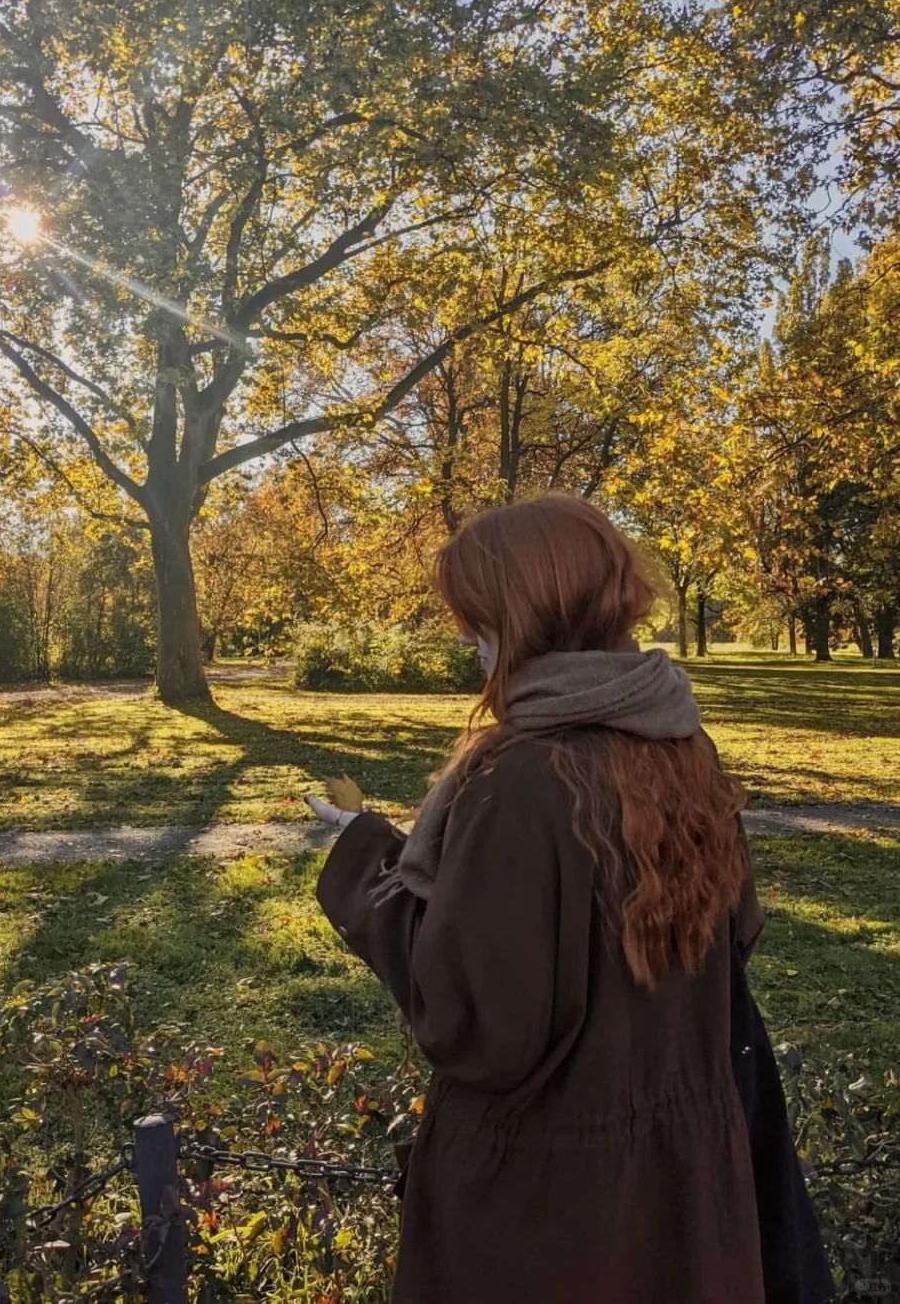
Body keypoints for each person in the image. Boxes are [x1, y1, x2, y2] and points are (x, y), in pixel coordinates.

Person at [305, 495, 832, 1304]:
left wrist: (365, 859)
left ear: (523, 616)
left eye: (476, 618)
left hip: (554, 1209)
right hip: (688, 1187)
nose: (466, 640)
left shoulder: (519, 781)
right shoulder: (682, 745)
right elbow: (733, 939)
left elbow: (471, 1020)